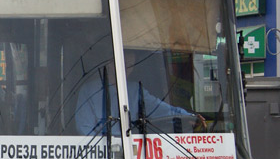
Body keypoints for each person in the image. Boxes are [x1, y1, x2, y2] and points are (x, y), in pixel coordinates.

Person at [74, 49, 203, 134]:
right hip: (102, 156)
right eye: (123, 63)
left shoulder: (135, 89)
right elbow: (84, 128)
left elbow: (160, 109)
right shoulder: (89, 90)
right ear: (109, 63)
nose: (127, 69)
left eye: (131, 64)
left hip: (132, 152)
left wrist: (187, 117)